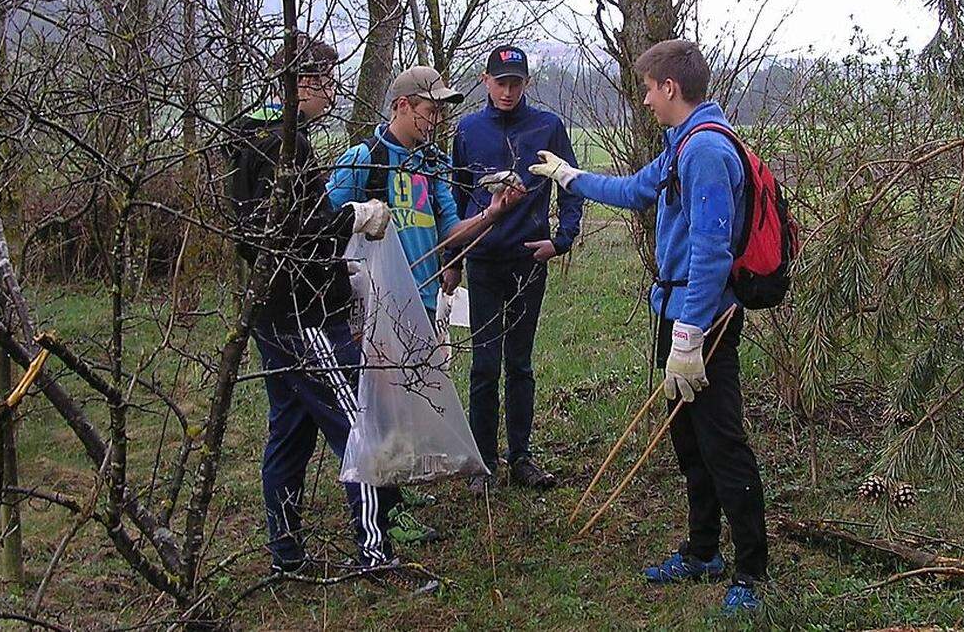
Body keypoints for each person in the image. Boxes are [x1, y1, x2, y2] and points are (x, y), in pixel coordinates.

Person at [529, 39, 768, 615]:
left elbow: (711, 248)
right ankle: (703, 551)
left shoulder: (707, 150)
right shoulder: (681, 143)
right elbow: (636, 191)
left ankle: (753, 574)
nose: (643, 98)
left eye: (647, 87)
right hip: (678, 312)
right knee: (688, 439)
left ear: (671, 88)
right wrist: (572, 177)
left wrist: (689, 336)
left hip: (704, 318)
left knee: (721, 441)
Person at [326, 66, 526, 544]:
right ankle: (385, 514)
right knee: (377, 409)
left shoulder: (431, 166)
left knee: (406, 401)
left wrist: (493, 213)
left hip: (420, 302)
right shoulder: (365, 159)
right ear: (401, 106)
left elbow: (448, 236)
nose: (435, 119)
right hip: (370, 306)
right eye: (429, 110)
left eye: (439, 112)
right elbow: (320, 220)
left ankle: (396, 494)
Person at [226, 33, 394, 573]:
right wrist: (354, 218)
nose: (334, 92)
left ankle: (286, 555)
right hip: (306, 312)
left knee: (290, 433)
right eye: (328, 81)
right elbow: (290, 231)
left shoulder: (243, 137)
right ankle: (375, 553)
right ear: (304, 83)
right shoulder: (283, 145)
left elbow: (256, 233)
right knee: (358, 424)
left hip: (268, 310)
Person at [450, 45, 584, 494]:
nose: (508, 91)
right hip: (483, 260)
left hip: (528, 259)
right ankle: (483, 463)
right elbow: (455, 196)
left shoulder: (547, 127)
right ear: (486, 81)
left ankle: (521, 456)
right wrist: (452, 258)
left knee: (519, 362)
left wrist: (561, 239)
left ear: (526, 83)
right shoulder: (467, 130)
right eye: (500, 82)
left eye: (516, 82)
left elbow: (570, 184)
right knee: (484, 364)